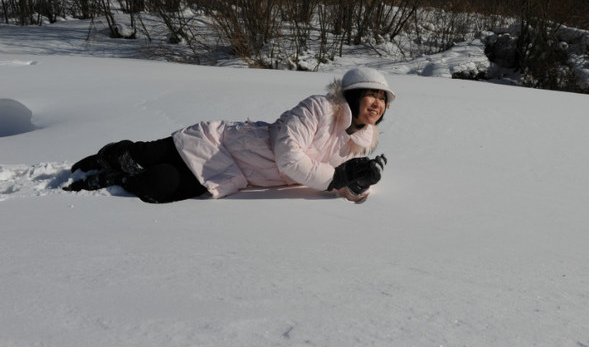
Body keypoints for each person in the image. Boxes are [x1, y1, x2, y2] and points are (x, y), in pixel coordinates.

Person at [64, 67, 395, 204]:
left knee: (155, 188)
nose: (377, 104)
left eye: (382, 99)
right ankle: (114, 156)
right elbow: (288, 156)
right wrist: (337, 175)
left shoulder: (359, 143)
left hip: (233, 173)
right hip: (219, 141)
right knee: (136, 156)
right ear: (351, 95)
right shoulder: (319, 108)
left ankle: (116, 180)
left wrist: (360, 183)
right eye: (371, 95)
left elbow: (341, 185)